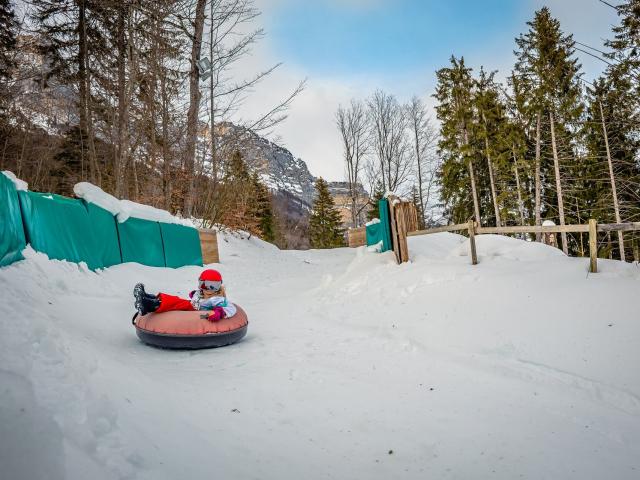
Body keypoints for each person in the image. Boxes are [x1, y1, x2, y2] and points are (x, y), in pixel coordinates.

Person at [133, 269, 237, 321]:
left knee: (181, 303)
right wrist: (195, 296)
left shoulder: (218, 299)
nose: (207, 289)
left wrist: (220, 312)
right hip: (193, 308)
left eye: (212, 286)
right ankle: (149, 298)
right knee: (177, 301)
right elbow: (195, 299)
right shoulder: (201, 293)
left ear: (219, 286)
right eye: (203, 284)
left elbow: (231, 308)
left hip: (201, 314)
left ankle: (151, 304)